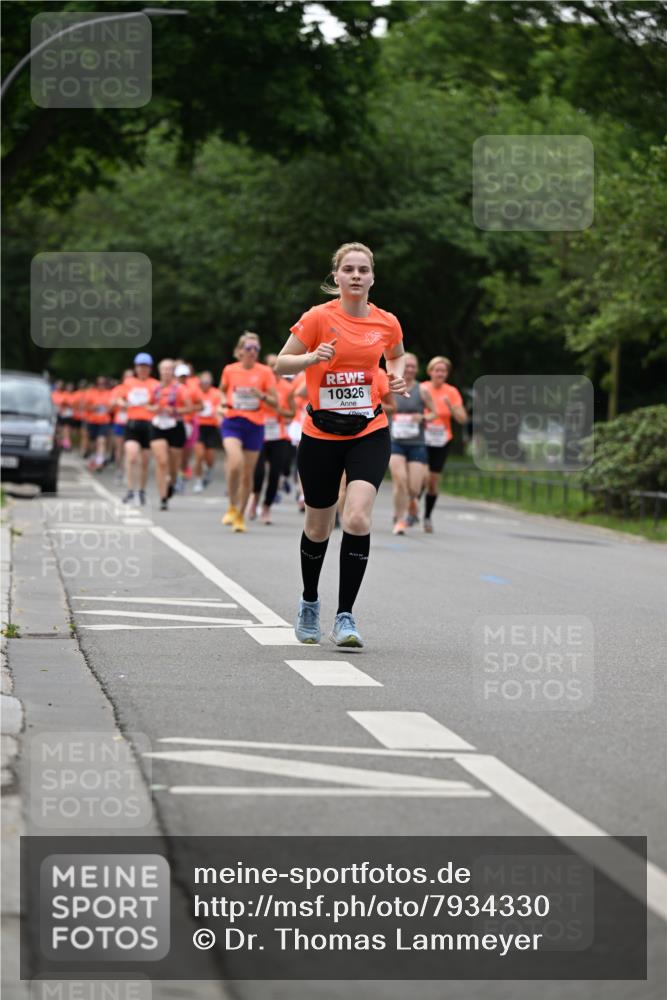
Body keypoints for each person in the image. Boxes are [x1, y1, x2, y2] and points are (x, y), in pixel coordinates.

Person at [275, 241, 408, 648]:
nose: (355, 275)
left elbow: (397, 354)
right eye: (348, 269)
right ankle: (310, 602)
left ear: (372, 277)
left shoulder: (386, 322)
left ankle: (346, 616)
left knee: (357, 519)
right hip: (320, 434)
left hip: (369, 430)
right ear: (336, 276)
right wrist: (312, 357)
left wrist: (396, 375)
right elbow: (281, 364)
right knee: (319, 526)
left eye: (362, 270)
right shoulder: (318, 317)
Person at [219, 332, 277, 533]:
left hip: (255, 425)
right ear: (240, 351)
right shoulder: (229, 370)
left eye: (256, 349)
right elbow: (221, 391)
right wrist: (221, 405)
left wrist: (260, 395)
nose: (252, 352)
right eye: (249, 348)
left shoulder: (265, 372)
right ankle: (232, 505)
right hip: (232, 422)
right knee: (235, 463)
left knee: (247, 474)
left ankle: (240, 515)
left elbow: (275, 401)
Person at [388, 353, 437, 535]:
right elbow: (382, 407)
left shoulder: (422, 390)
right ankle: (399, 519)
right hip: (395, 442)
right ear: (401, 367)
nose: (409, 369)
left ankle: (412, 501)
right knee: (400, 481)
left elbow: (434, 413)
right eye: (406, 366)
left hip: (416, 443)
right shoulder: (391, 387)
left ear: (417, 369)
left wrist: (423, 417)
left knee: (415, 487)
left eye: (413, 367)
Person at [422, 355, 468, 532]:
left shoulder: (451, 392)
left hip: (442, 440)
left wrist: (452, 408)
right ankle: (411, 509)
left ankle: (427, 516)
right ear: (430, 372)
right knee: (421, 476)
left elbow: (463, 419)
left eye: (443, 370)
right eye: (436, 370)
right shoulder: (423, 388)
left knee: (432, 482)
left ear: (447, 373)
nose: (440, 373)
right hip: (422, 438)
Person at [248, 353, 295, 524]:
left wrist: (280, 413)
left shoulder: (287, 388)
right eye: (270, 365)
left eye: (277, 364)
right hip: (259, 433)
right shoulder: (257, 386)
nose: (274, 368)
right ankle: (254, 499)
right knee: (258, 472)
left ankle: (266, 508)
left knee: (275, 474)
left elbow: (292, 413)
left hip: (279, 436)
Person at [148, 359, 192, 511]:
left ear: (173, 372)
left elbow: (190, 408)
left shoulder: (181, 389)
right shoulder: (154, 388)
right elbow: (147, 404)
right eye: (164, 369)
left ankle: (172, 482)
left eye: (169, 369)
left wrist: (175, 411)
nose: (166, 372)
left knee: (173, 465)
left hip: (175, 426)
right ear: (159, 371)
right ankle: (163, 497)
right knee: (161, 461)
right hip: (158, 424)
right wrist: (154, 408)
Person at [115, 352, 159, 506]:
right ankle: (129, 490)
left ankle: (141, 491)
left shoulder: (155, 385)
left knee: (145, 461)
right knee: (132, 456)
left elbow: (160, 404)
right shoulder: (129, 382)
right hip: (132, 423)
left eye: (145, 366)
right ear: (136, 367)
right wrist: (123, 404)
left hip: (148, 425)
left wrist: (151, 406)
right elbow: (119, 398)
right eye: (140, 366)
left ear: (150, 368)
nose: (143, 369)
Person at [192, 371, 222, 493]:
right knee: (199, 455)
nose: (205, 384)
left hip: (211, 427)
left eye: (207, 382)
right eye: (203, 382)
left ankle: (209, 470)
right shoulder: (195, 393)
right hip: (198, 426)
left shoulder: (216, 393)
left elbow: (219, 408)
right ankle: (198, 480)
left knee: (209, 456)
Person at [84, 376, 112, 472]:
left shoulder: (109, 394)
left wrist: (108, 408)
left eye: (103, 384)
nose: (101, 386)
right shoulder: (91, 393)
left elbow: (112, 408)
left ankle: (100, 462)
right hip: (92, 421)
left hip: (104, 421)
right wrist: (94, 407)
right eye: (99, 384)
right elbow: (85, 406)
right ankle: (92, 459)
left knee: (101, 441)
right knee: (92, 443)